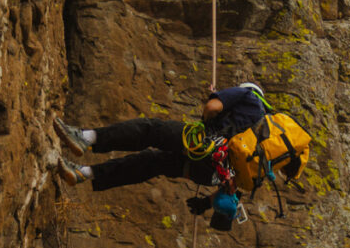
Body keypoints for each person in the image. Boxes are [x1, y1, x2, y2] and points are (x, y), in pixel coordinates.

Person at [54, 82, 268, 192]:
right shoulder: (262, 135)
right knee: (151, 163)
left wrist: (210, 112)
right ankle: (83, 173)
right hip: (210, 174)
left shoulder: (249, 96)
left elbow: (213, 107)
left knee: (151, 130)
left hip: (204, 145)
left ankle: (86, 138)